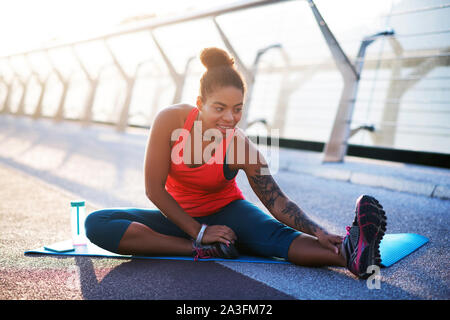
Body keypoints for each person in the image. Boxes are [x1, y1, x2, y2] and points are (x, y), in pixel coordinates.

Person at [85, 47, 387, 279]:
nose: (230, 118)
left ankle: (350, 254)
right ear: (200, 103)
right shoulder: (170, 120)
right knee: (97, 223)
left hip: (228, 214)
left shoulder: (241, 147)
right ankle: (200, 249)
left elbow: (278, 202)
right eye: (219, 108)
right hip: (175, 217)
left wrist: (318, 231)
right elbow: (154, 190)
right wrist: (199, 234)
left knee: (279, 239)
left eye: (237, 109)